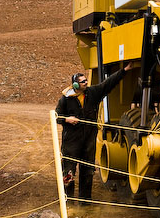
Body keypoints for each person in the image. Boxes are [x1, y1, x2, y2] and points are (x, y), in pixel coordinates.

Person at [56, 63, 132, 204]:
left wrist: (124, 71)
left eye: (85, 80)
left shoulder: (92, 93)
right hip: (71, 141)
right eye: (82, 81)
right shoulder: (66, 98)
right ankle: (68, 202)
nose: (86, 83)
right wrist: (67, 119)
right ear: (76, 85)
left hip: (89, 139)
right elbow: (57, 116)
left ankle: (85, 202)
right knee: (69, 172)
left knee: (88, 170)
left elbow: (107, 84)